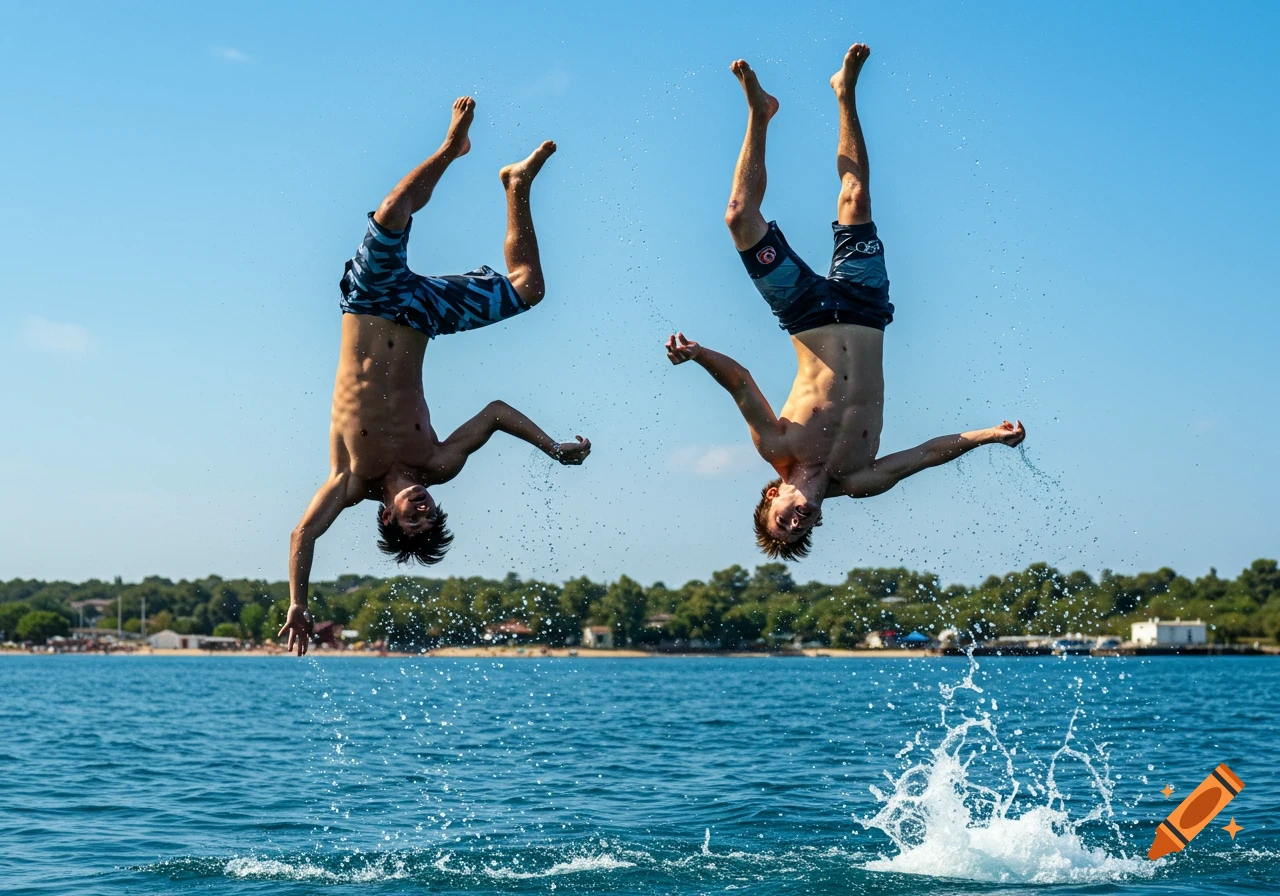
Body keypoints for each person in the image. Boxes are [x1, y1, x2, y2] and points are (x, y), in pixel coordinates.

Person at [665, 45, 1025, 561]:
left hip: (803, 311)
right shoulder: (860, 480)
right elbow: (926, 454)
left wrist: (698, 355)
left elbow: (741, 382)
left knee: (739, 217)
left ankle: (759, 113)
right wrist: (989, 435)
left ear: (773, 496)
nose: (796, 519)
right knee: (855, 197)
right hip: (865, 306)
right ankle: (845, 92)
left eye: (781, 519)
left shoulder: (777, 448)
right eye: (798, 530)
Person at [279, 97, 591, 655]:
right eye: (430, 515)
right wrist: (548, 447)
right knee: (528, 290)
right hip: (425, 316)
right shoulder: (439, 464)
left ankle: (451, 149)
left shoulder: (350, 480)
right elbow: (495, 412)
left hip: (371, 301)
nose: (425, 507)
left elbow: (304, 533)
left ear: (387, 515)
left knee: (394, 210)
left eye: (413, 518)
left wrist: (298, 601)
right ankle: (516, 185)